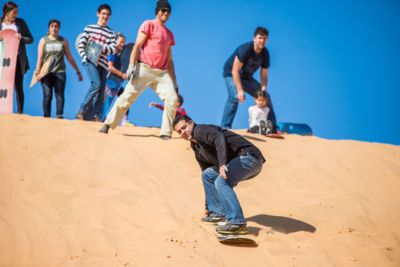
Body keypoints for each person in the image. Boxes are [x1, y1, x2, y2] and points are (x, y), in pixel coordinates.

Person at [173, 115, 265, 235]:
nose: (183, 132)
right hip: (238, 162)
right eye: (179, 131)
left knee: (221, 182)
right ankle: (216, 212)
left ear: (191, 122)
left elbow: (218, 137)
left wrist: (222, 164)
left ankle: (237, 222)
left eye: (184, 127)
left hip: (249, 157)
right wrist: (208, 205)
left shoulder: (199, 130)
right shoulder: (196, 147)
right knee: (207, 175)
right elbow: (207, 177)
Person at [99, 0, 178, 140]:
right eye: (163, 10)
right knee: (127, 97)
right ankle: (107, 124)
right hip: (144, 68)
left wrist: (174, 82)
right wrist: (131, 66)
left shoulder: (169, 34)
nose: (165, 13)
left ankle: (166, 133)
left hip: (161, 74)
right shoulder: (149, 24)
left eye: (168, 11)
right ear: (157, 11)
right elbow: (137, 46)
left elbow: (170, 60)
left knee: (172, 99)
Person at [221, 27, 277, 132]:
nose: (262, 41)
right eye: (260, 38)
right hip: (231, 74)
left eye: (265, 38)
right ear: (254, 38)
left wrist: (263, 89)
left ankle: (272, 128)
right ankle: (225, 128)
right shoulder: (245, 49)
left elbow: (264, 74)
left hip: (246, 78)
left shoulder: (265, 54)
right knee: (234, 97)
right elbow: (235, 71)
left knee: (266, 96)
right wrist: (240, 90)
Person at [34, 19, 83, 118]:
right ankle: (46, 117)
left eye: (56, 26)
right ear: (49, 28)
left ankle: (59, 116)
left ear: (59, 28)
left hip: (60, 72)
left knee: (59, 94)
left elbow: (69, 57)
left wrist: (77, 71)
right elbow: (40, 57)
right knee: (47, 95)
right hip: (46, 73)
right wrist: (37, 71)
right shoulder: (43, 40)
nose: (54, 28)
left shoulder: (63, 41)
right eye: (52, 26)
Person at [76, 3, 116, 121]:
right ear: (98, 14)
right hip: (89, 61)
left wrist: (99, 47)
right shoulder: (89, 28)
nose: (105, 16)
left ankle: (97, 116)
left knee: (101, 92)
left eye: (108, 14)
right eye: (103, 13)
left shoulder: (111, 33)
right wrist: (84, 57)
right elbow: (81, 45)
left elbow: (113, 49)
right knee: (96, 84)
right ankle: (82, 110)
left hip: (103, 65)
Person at [0, 1, 33, 114]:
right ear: (6, 12)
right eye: (14, 12)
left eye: (17, 12)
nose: (16, 15)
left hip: (17, 59)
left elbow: (30, 39)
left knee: (18, 86)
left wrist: (21, 37)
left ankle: (20, 113)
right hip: (1, 59)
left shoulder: (20, 23)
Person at [101, 33, 130, 124]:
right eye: (120, 42)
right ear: (115, 41)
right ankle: (100, 118)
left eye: (123, 43)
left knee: (125, 97)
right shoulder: (112, 52)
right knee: (106, 101)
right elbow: (110, 67)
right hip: (108, 82)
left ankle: (124, 120)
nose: (122, 44)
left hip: (116, 84)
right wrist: (122, 75)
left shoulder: (120, 56)